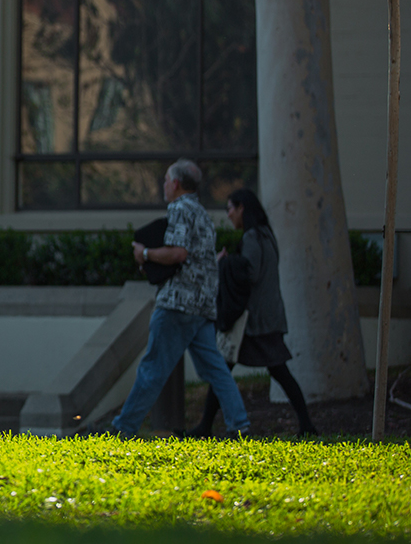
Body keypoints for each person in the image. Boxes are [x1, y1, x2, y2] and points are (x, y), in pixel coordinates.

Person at [110, 159, 251, 438]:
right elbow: (203, 258)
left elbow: (178, 253)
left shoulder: (179, 209)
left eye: (165, 180)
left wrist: (145, 254)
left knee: (152, 367)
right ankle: (240, 425)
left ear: (175, 183)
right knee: (215, 369)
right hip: (203, 306)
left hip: (177, 303)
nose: (163, 185)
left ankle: (122, 429)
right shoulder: (203, 215)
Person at [189, 189, 318, 438]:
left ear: (242, 209)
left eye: (230, 209)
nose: (228, 215)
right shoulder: (266, 235)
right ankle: (306, 425)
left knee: (225, 369)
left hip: (255, 321)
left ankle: (206, 426)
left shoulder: (252, 238)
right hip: (266, 318)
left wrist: (223, 263)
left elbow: (250, 274)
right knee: (268, 370)